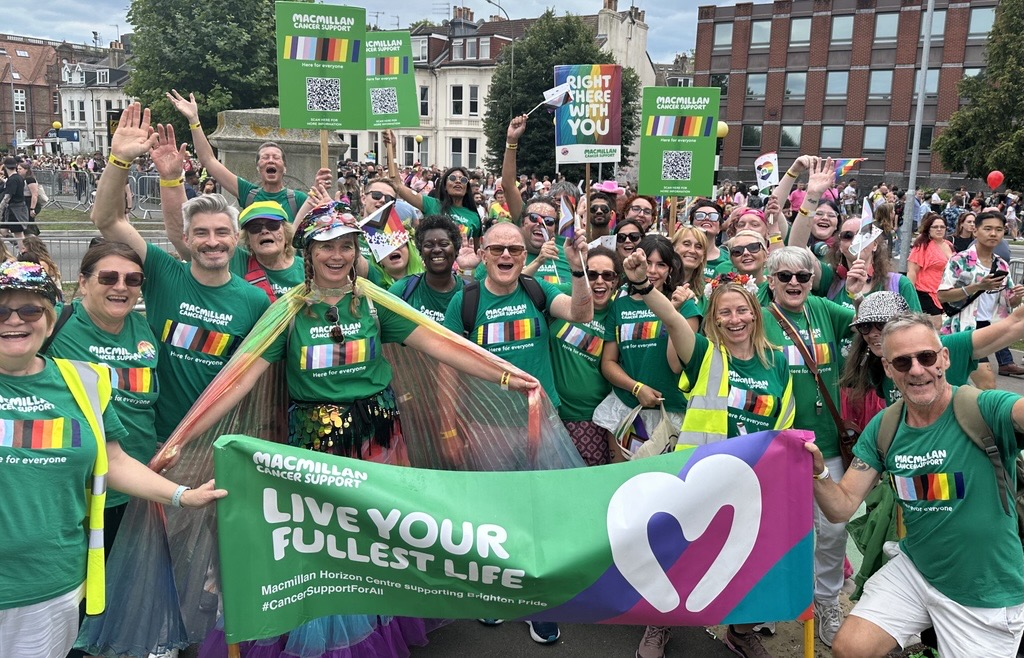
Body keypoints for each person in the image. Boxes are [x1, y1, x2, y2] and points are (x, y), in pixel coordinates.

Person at [0, 259, 224, 658]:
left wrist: (181, 495)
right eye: (2, 309)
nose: (15, 320)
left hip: (53, 582)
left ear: (49, 320)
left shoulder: (84, 382)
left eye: (30, 309)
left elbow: (114, 461)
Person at [808, 313, 1024, 657]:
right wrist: (818, 475)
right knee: (849, 648)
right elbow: (841, 506)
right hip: (918, 571)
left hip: (985, 592)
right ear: (889, 368)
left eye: (926, 357)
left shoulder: (983, 408)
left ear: (945, 358)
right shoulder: (886, 427)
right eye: (902, 362)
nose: (917, 370)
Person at [623, 250, 794, 658]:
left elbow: (784, 422)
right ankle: (659, 622)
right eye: (724, 313)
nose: (734, 320)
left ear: (755, 314)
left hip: (752, 481)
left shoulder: (776, 363)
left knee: (748, 559)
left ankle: (740, 630)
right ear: (714, 319)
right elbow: (671, 320)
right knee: (679, 556)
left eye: (742, 311)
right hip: (698, 478)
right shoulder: (704, 355)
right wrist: (645, 286)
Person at [90, 102, 271, 445]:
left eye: (221, 233)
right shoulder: (163, 272)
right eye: (201, 233)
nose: (212, 242)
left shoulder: (255, 301)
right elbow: (107, 220)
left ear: (236, 239)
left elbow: (252, 380)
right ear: (186, 239)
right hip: (152, 439)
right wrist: (119, 161)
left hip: (216, 442)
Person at [762, 246, 855, 648]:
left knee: (833, 531)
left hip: (827, 443)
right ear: (771, 282)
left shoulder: (825, 309)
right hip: (777, 445)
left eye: (802, 275)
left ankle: (828, 601)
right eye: (785, 277)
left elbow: (872, 327)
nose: (794, 282)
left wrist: (858, 293)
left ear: (813, 279)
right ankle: (770, 601)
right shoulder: (757, 318)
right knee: (775, 530)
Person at [594, 235, 700, 448]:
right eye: (647, 263)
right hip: (627, 409)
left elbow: (678, 364)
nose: (652, 270)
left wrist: (674, 312)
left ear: (670, 270)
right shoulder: (620, 306)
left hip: (671, 413)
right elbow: (608, 362)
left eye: (660, 264)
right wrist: (636, 388)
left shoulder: (685, 305)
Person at [166, 90, 332, 221]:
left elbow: (325, 218)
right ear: (258, 167)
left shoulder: (298, 199)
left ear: (284, 167)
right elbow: (208, 160)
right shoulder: (249, 193)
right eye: (265, 157)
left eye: (276, 157)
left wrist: (319, 189)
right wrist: (194, 120)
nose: (271, 160)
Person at [550, 246, 620, 466]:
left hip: (591, 420)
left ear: (615, 281)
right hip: (549, 416)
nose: (599, 281)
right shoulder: (563, 296)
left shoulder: (619, 313)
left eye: (607, 275)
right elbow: (523, 285)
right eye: (592, 274)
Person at [937, 210, 1024, 382]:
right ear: (975, 231)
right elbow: (942, 295)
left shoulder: (1002, 264)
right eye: (988, 229)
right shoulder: (960, 261)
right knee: (986, 383)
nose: (993, 234)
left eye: (999, 230)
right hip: (963, 328)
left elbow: (1010, 300)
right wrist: (977, 286)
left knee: (956, 382)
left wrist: (1018, 295)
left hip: (990, 328)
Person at [384, 131, 480, 246]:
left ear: (467, 188)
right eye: (453, 178)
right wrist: (392, 150)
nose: (458, 181)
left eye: (463, 179)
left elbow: (477, 252)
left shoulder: (474, 217)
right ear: (444, 185)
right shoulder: (432, 204)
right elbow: (398, 186)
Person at [388, 214, 464, 323]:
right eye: (429, 245)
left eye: (444, 244)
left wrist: (468, 269)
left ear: (456, 250)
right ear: (421, 252)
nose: (437, 250)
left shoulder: (470, 293)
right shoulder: (402, 291)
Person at [907, 212, 954, 323]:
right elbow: (912, 271)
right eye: (935, 227)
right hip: (925, 292)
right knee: (934, 325)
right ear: (929, 229)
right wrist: (911, 295)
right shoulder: (922, 246)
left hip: (944, 292)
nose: (939, 229)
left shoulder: (949, 245)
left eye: (942, 227)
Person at [690, 199, 727, 279]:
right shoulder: (680, 255)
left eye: (713, 216)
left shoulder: (729, 259)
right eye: (700, 215)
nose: (706, 218)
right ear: (691, 224)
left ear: (719, 228)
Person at [0, 157, 28, 241]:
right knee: (3, 230)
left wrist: (0, 210)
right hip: (12, 209)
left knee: (18, 233)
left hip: (15, 209)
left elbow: (7, 197)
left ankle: (23, 251)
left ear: (5, 166)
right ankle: (19, 246)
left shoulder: (13, 179)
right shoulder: (17, 178)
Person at [18, 162, 40, 235]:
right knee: (28, 222)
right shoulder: (22, 179)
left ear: (26, 170)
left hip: (30, 202)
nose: (18, 170)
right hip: (25, 202)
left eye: (20, 169)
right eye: (17, 169)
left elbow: (34, 194)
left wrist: (32, 208)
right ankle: (32, 237)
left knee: (28, 222)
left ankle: (32, 238)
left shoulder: (30, 179)